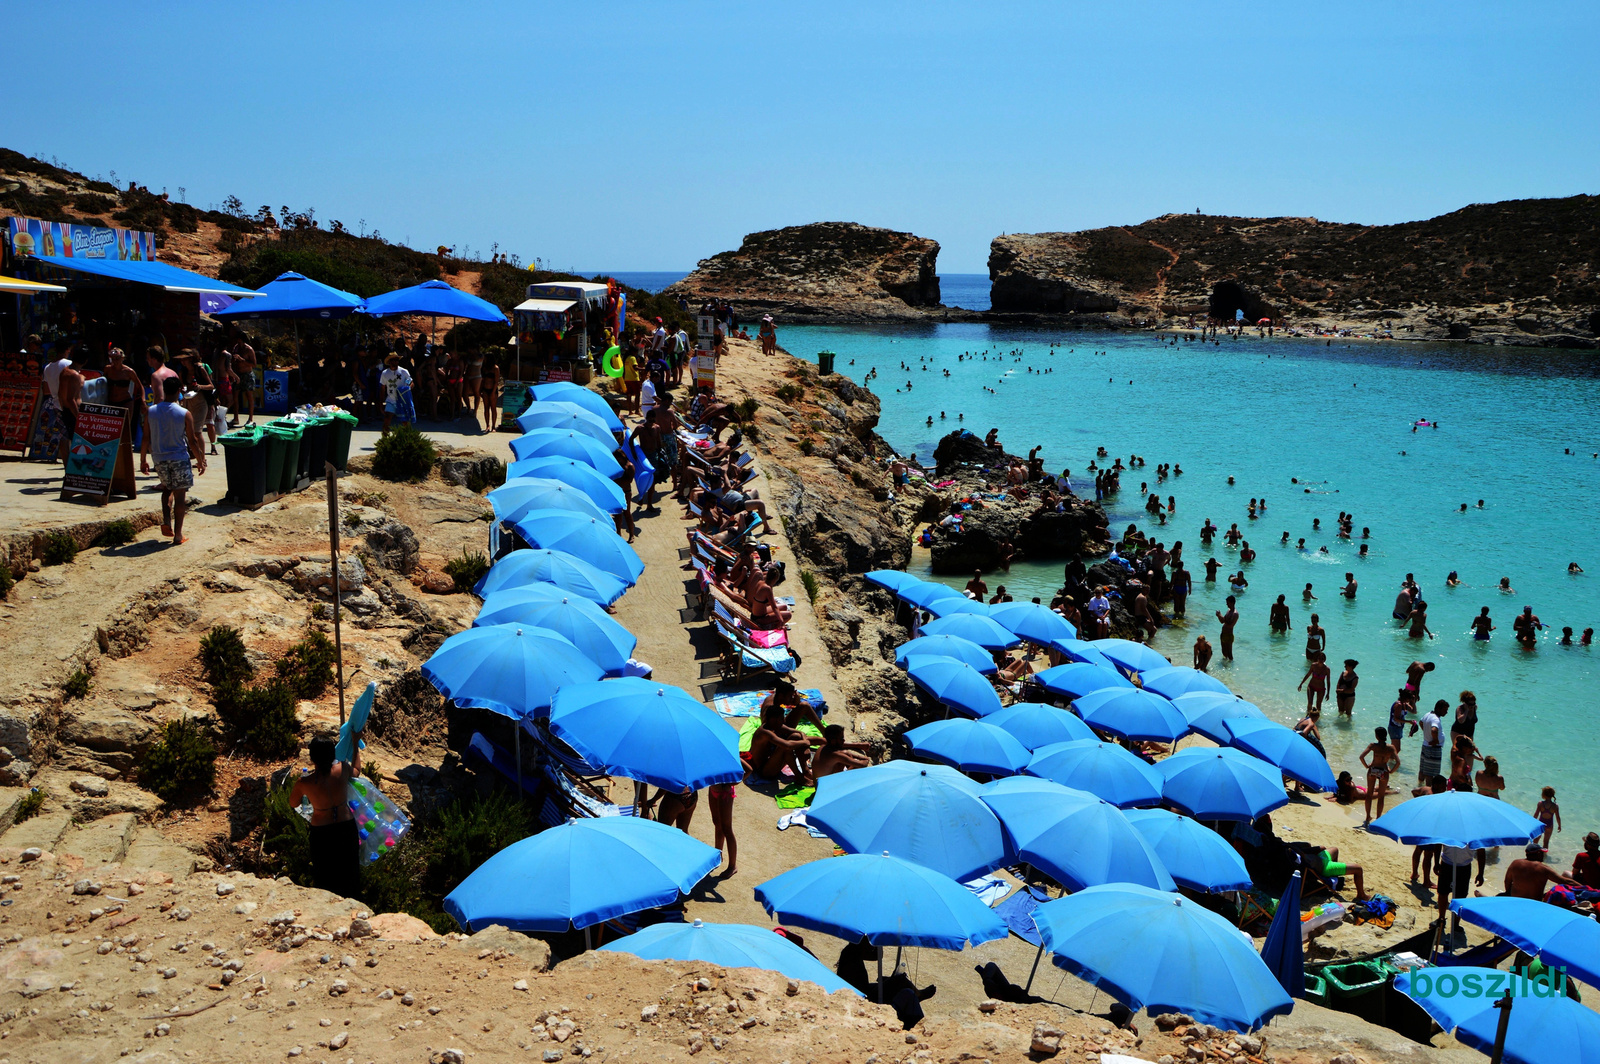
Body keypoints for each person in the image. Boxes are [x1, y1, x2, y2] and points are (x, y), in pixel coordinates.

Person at [287, 731, 364, 899]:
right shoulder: (342, 769)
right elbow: (357, 770)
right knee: (349, 870)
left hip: (322, 832)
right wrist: (355, 742)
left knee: (325, 874)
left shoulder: (304, 782)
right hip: (346, 827)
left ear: (313, 757)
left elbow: (293, 803)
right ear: (332, 754)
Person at [139, 377, 206, 545]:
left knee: (167, 489)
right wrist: (200, 460)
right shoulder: (184, 413)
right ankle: (178, 535)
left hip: (159, 459)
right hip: (179, 458)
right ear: (179, 391)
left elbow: (145, 438)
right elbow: (192, 441)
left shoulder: (151, 411)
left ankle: (167, 521)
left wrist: (143, 460)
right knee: (180, 495)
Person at [746, 704, 811, 782]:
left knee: (795, 736)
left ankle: (805, 771)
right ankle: (800, 778)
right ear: (774, 719)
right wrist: (805, 743)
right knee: (785, 746)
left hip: (771, 763)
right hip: (764, 771)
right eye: (781, 718)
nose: (783, 721)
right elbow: (787, 745)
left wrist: (806, 745)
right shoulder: (765, 732)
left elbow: (800, 732)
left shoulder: (775, 725)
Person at [1436, 843, 1486, 941]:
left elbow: (1481, 852)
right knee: (1442, 893)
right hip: (1446, 863)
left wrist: (1480, 873)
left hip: (1465, 867)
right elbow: (1438, 844)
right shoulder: (1446, 828)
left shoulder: (1474, 832)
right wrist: (1436, 863)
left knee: (1460, 897)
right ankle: (1441, 918)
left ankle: (1455, 924)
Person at [1504, 842, 1584, 900]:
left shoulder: (1515, 863)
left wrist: (1508, 892)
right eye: (1542, 853)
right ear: (1538, 853)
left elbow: (1507, 881)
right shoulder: (1543, 869)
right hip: (1534, 904)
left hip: (1515, 900)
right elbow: (1564, 881)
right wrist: (1585, 888)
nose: (1543, 855)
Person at [1359, 726, 1396, 825]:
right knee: (1381, 796)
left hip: (1373, 770)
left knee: (1369, 794)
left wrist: (1367, 766)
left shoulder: (1373, 746)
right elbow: (1398, 762)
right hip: (1383, 771)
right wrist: (1391, 771)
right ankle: (1378, 818)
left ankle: (1367, 817)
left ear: (1377, 736)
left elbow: (1361, 757)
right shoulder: (1390, 748)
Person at [379, 354, 413, 432]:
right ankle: (384, 440)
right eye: (393, 360)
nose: (395, 362)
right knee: (387, 420)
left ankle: (408, 438)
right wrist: (381, 403)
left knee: (405, 422)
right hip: (391, 400)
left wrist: (407, 388)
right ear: (389, 362)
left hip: (402, 401)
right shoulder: (385, 373)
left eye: (396, 360)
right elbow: (383, 388)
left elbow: (411, 382)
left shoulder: (404, 372)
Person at [1416, 699, 1445, 785]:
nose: (1446, 712)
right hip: (1433, 749)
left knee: (1422, 770)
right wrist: (1435, 740)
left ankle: (1419, 786)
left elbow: (1421, 722)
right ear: (1439, 709)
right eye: (1445, 710)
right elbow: (1434, 730)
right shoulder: (1436, 719)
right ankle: (1428, 792)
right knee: (1430, 774)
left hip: (1425, 746)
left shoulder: (1428, 714)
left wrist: (1425, 732)